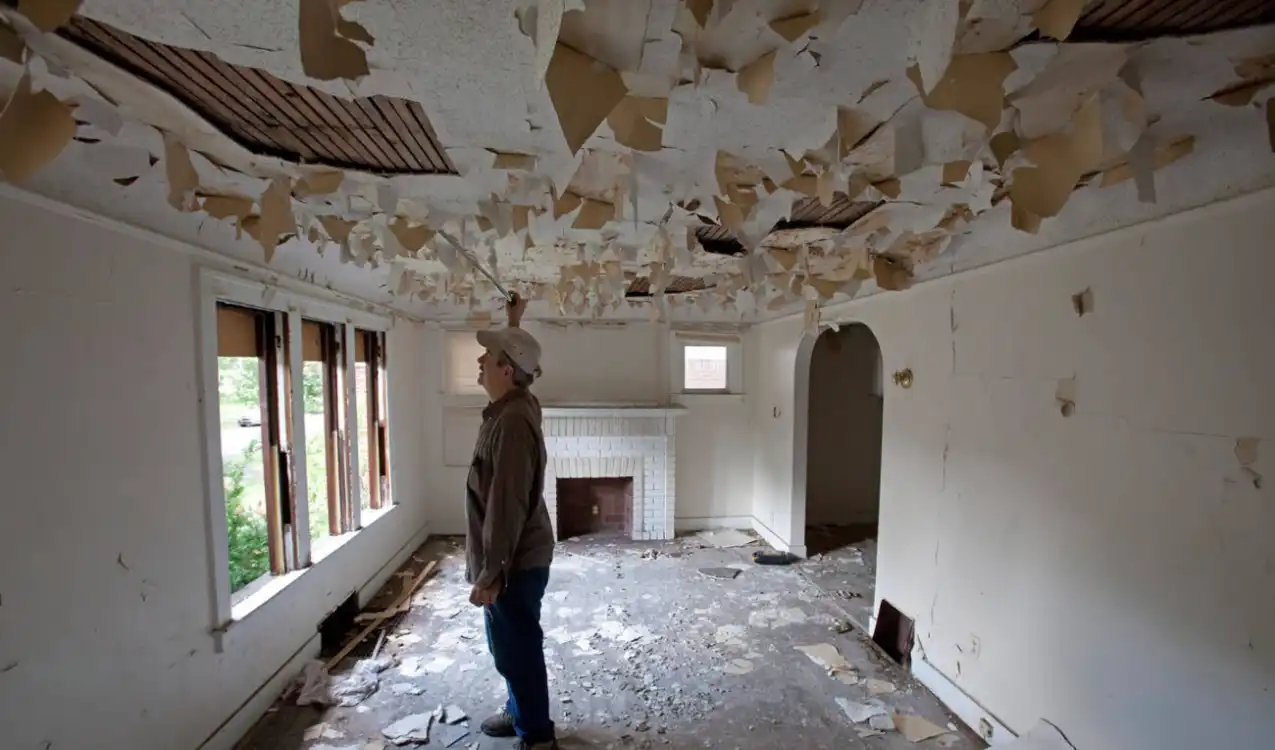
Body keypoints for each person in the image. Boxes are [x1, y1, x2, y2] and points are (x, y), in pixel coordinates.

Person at [466, 293, 558, 750]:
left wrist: (490, 573)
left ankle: (537, 736)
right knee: (508, 644)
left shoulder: (514, 422)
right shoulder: (516, 402)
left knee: (517, 647)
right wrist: (514, 321)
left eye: (489, 355)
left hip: (515, 559)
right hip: (514, 556)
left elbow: (505, 505)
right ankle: (520, 709)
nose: (480, 360)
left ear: (506, 370)